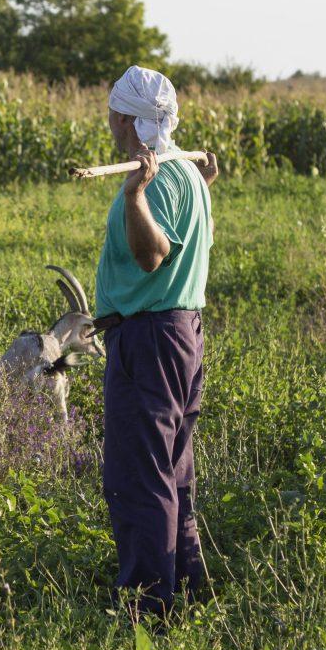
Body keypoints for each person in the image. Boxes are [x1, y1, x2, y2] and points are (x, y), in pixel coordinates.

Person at [94, 65, 219, 620]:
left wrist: (134, 197)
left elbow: (153, 255)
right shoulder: (187, 172)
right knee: (173, 474)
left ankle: (149, 612)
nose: (109, 120)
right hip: (180, 335)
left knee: (140, 478)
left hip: (149, 339)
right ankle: (189, 590)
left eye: (111, 112)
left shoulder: (154, 178)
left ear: (124, 117)